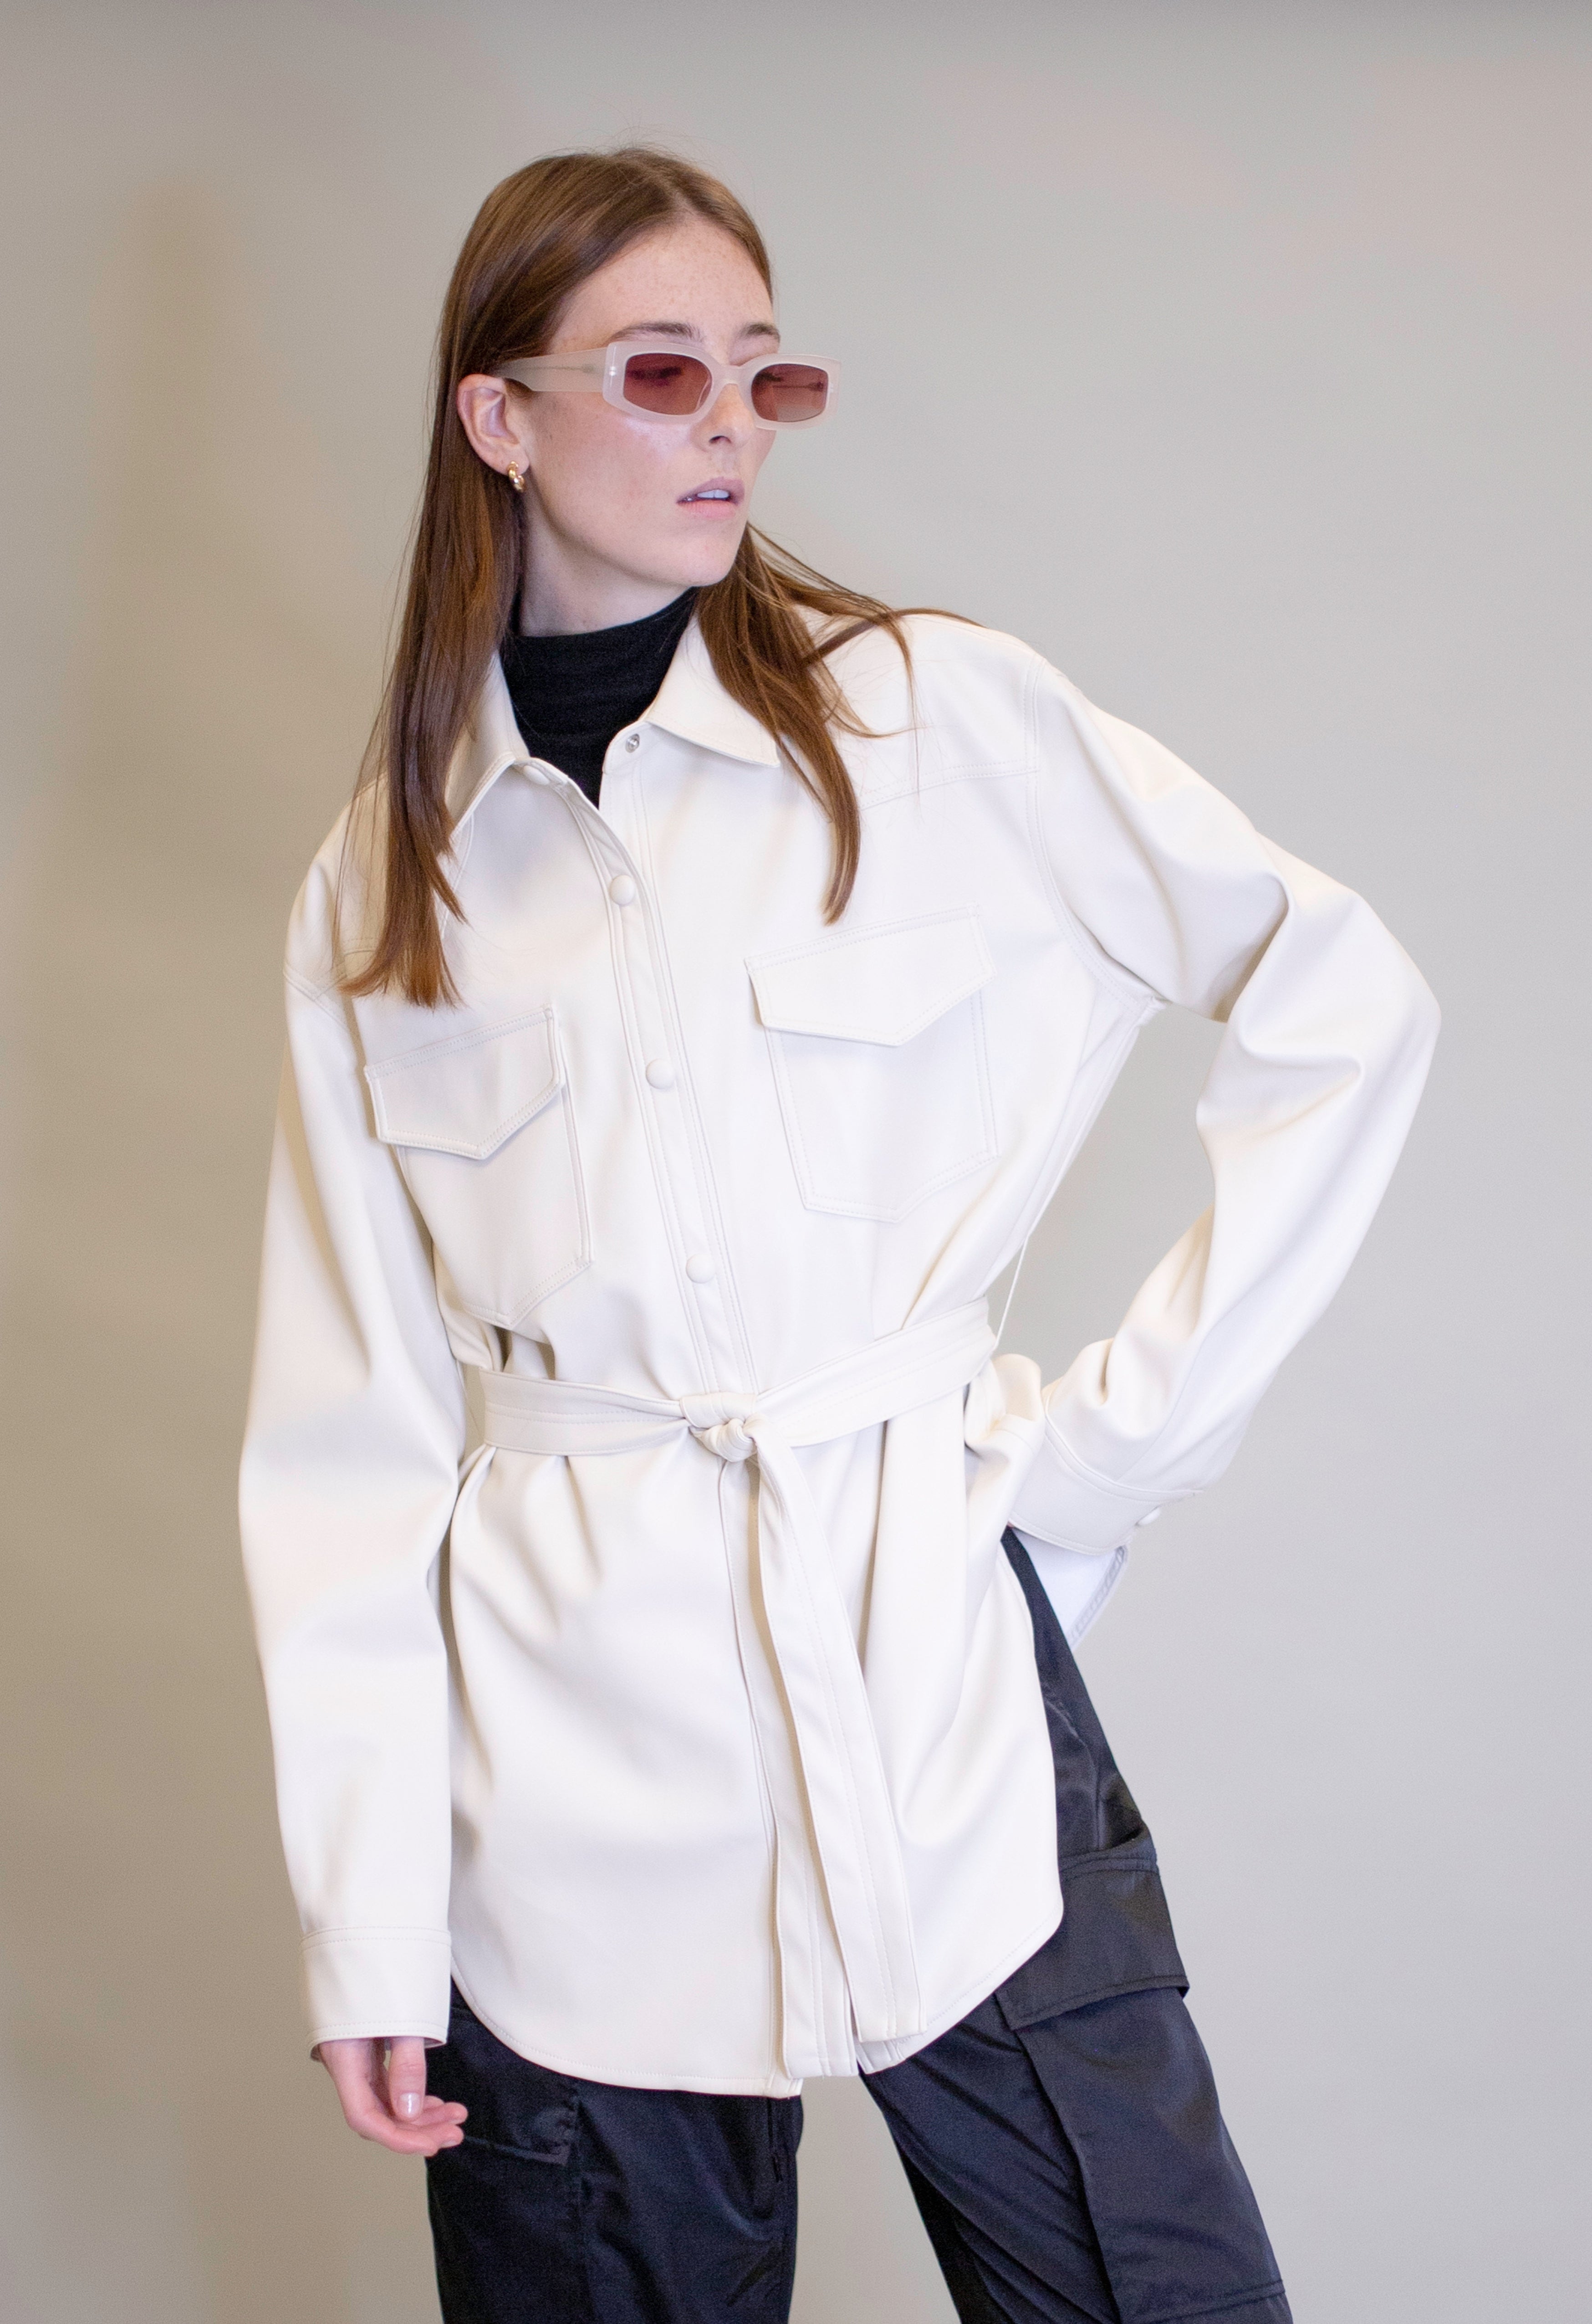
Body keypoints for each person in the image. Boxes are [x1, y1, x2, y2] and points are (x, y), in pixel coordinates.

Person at [239, 147, 1438, 2324]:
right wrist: (368, 1915)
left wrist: (1109, 1457)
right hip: (563, 1791)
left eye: (764, 375)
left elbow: (1340, 998)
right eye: (662, 372)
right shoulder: (385, 882)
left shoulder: (934, 718)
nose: (729, 422)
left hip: (944, 1686)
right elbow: (347, 1443)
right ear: (498, 415)